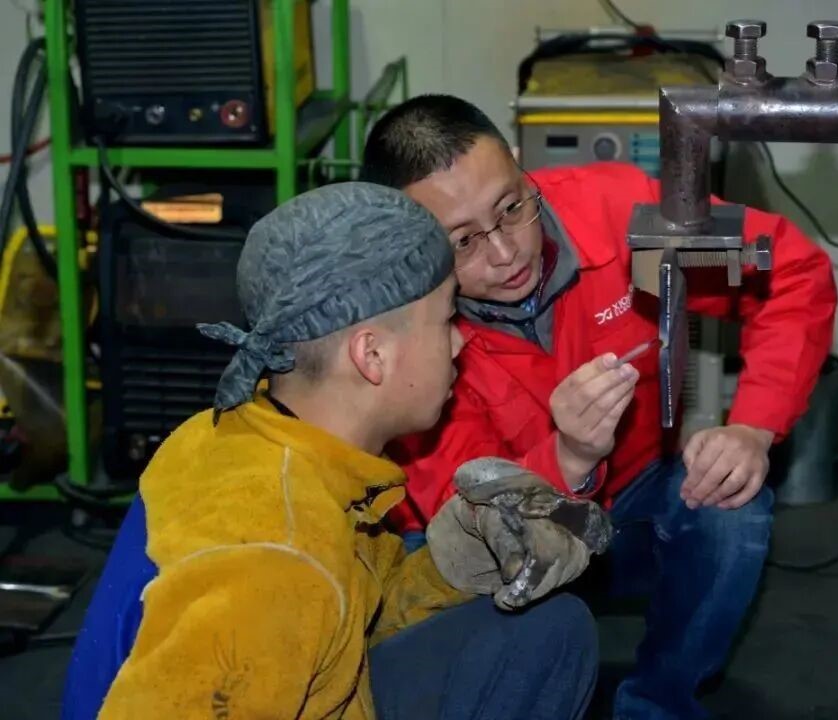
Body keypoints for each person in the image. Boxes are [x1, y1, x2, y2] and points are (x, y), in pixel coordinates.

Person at [362, 94, 838, 720]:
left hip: (633, 501)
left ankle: (658, 705)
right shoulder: (401, 326)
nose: (505, 254)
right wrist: (569, 457)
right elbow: (461, 509)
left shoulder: (618, 216)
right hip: (498, 535)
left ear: (521, 165)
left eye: (512, 207)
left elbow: (789, 273)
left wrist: (753, 426)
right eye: (464, 242)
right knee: (440, 596)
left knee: (731, 511)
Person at [62, 183, 599, 720]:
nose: (459, 341)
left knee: (548, 633)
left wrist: (457, 560)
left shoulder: (261, 437)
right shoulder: (275, 561)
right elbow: (299, 599)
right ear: (371, 355)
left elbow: (350, 618)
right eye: (445, 320)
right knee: (550, 637)